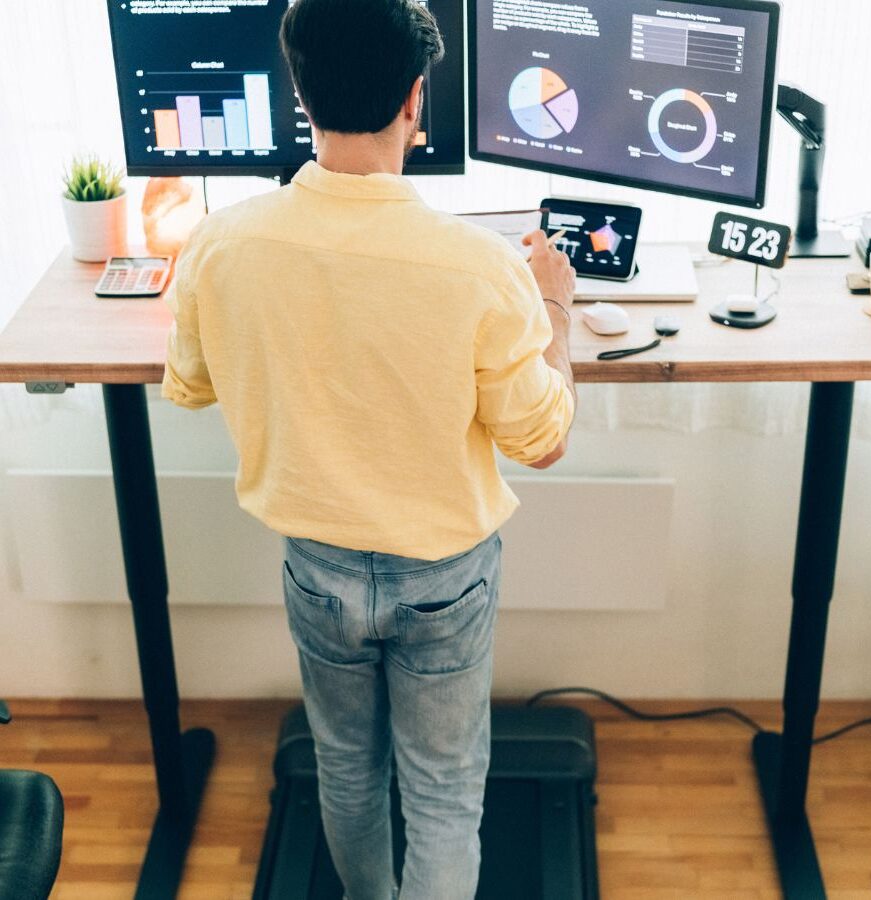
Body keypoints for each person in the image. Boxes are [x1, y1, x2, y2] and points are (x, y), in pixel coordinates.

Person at [161, 0, 576, 896]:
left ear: (297, 94)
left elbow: (190, 387)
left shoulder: (220, 243)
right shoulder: (480, 267)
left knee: (346, 768)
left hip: (316, 566)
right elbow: (541, 439)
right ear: (417, 100)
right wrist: (556, 309)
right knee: (443, 788)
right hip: (443, 579)